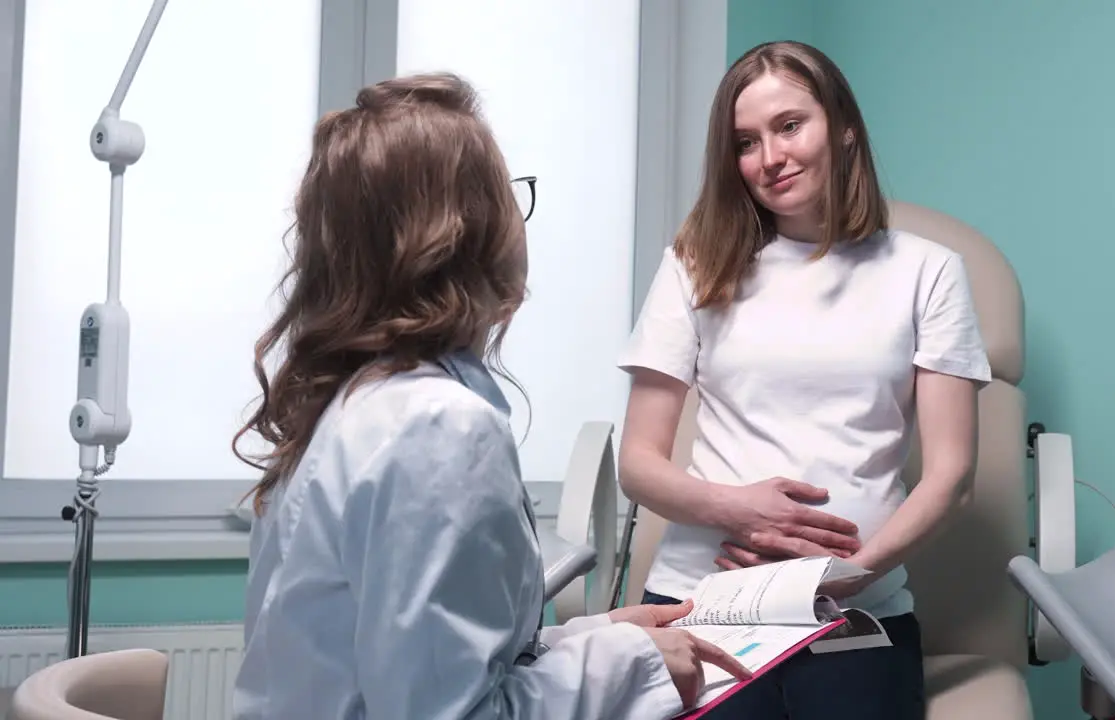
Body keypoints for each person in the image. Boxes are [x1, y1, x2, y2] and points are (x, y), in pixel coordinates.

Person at [229, 72, 749, 720]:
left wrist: (602, 635)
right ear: (463, 232)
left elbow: (420, 663)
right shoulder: (437, 430)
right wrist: (633, 664)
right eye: (507, 193)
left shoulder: (355, 406)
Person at [616, 40, 991, 720]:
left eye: (790, 126)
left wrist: (848, 577)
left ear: (843, 126)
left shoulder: (927, 271)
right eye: (746, 142)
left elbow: (952, 476)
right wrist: (737, 508)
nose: (770, 158)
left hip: (853, 609)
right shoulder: (695, 264)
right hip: (704, 602)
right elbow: (637, 465)